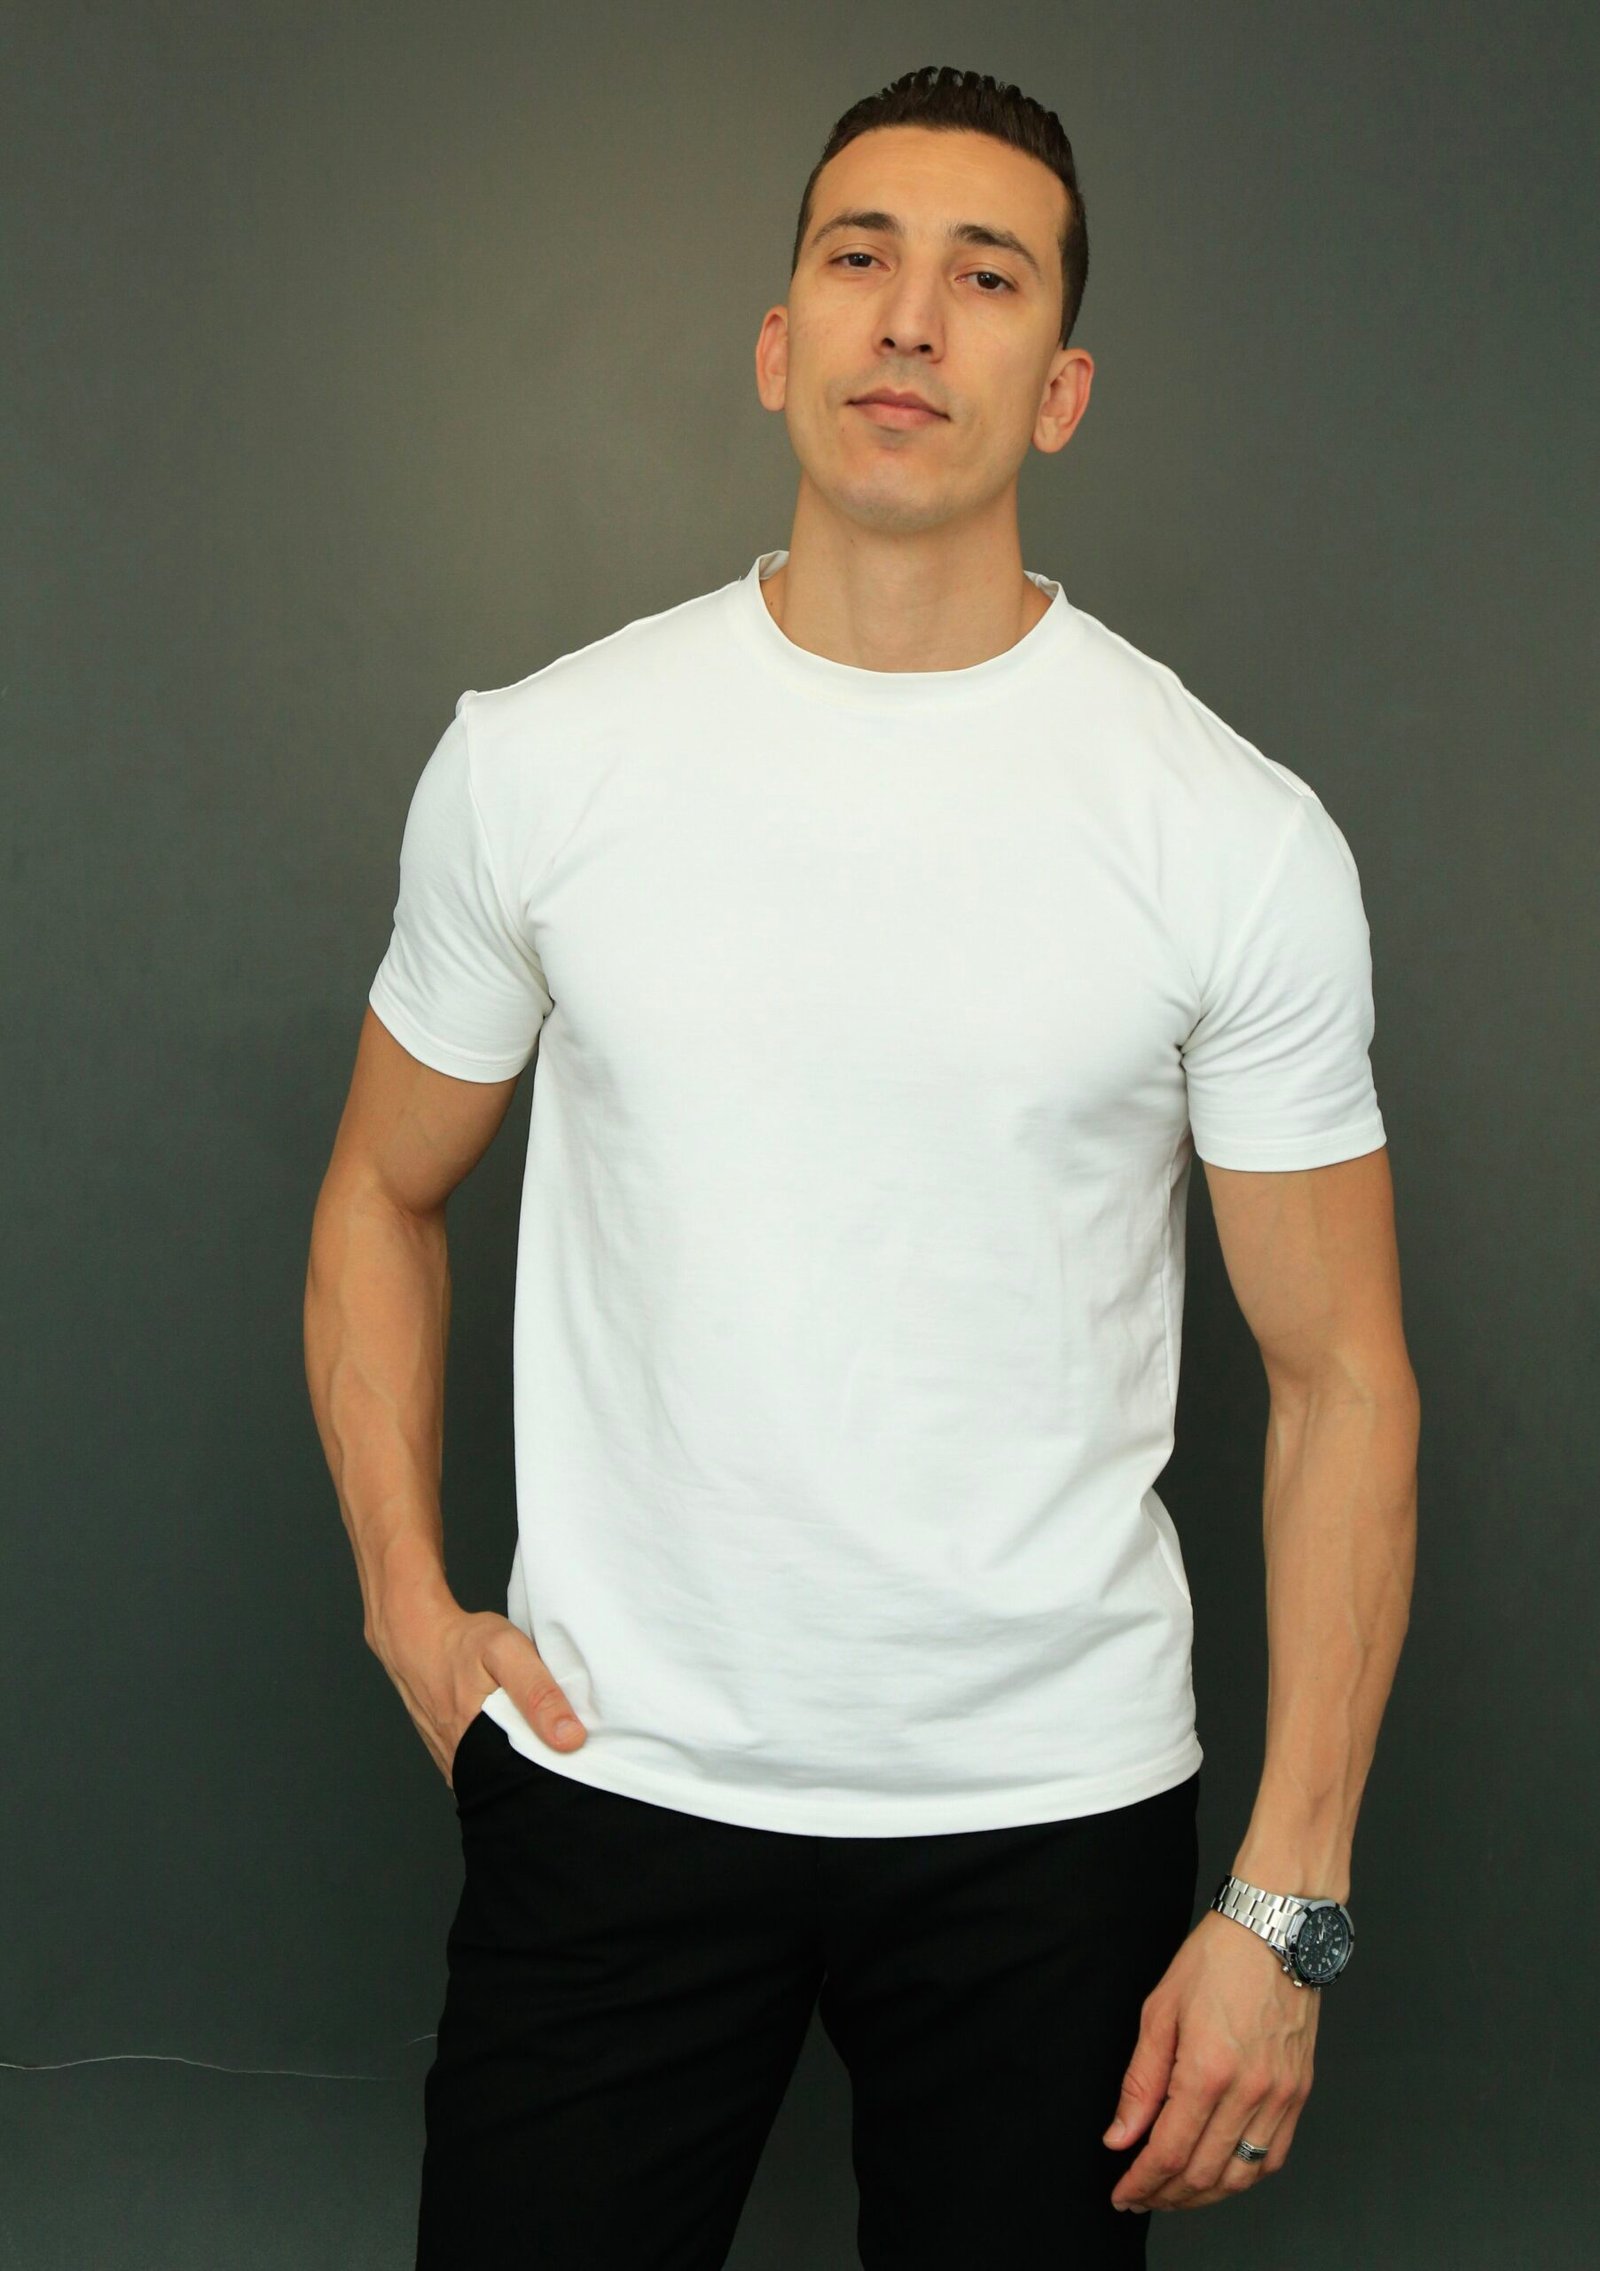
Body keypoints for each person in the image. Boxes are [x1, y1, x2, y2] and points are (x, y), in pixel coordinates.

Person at [304, 62, 1419, 2271]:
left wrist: (1284, 1900)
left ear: (1061, 387)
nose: (910, 316)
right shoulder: (541, 763)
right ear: (776, 343)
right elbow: (377, 1191)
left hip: (1051, 1822)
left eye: (984, 276)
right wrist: (406, 1605)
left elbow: (1342, 1379)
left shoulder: (1226, 834)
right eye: (858, 257)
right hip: (615, 1782)